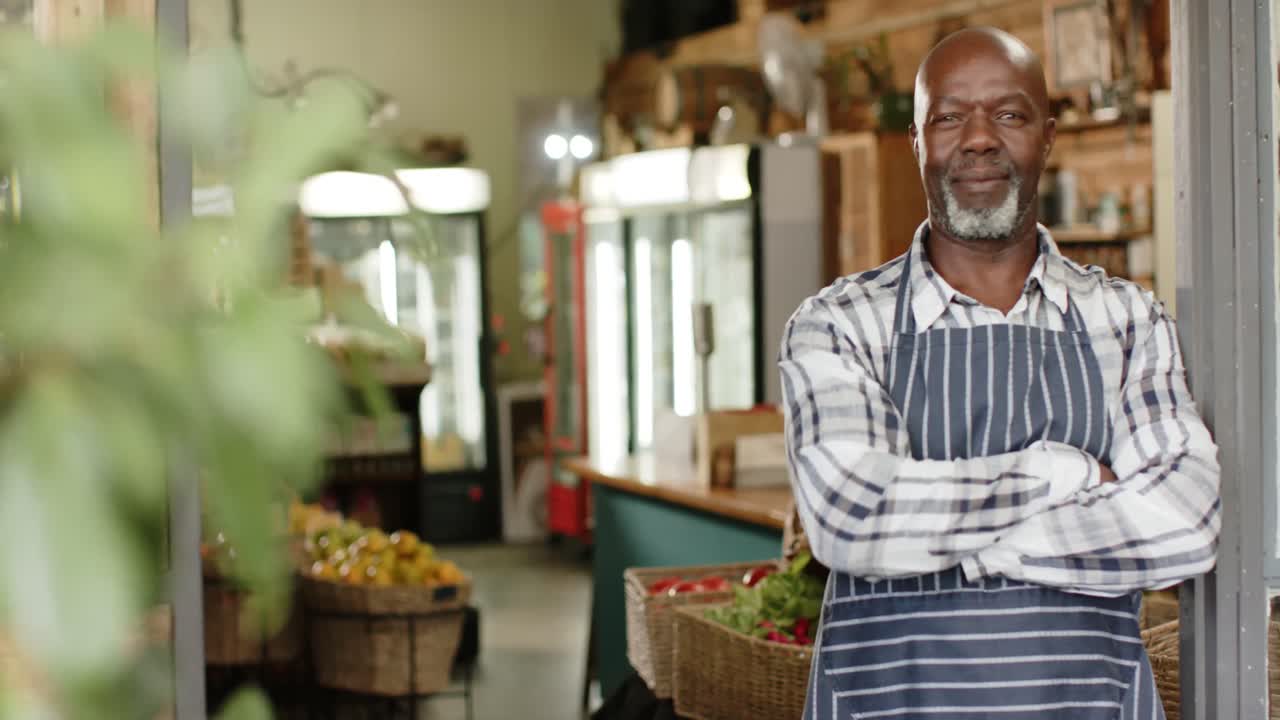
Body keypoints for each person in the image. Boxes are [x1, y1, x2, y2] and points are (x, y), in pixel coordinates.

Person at [779, 27, 1220, 720]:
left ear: (1047, 135)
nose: (978, 138)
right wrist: (1062, 475)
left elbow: (1182, 524)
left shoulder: (1128, 319)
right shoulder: (838, 323)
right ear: (918, 142)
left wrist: (962, 549)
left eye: (1008, 114)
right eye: (949, 117)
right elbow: (853, 519)